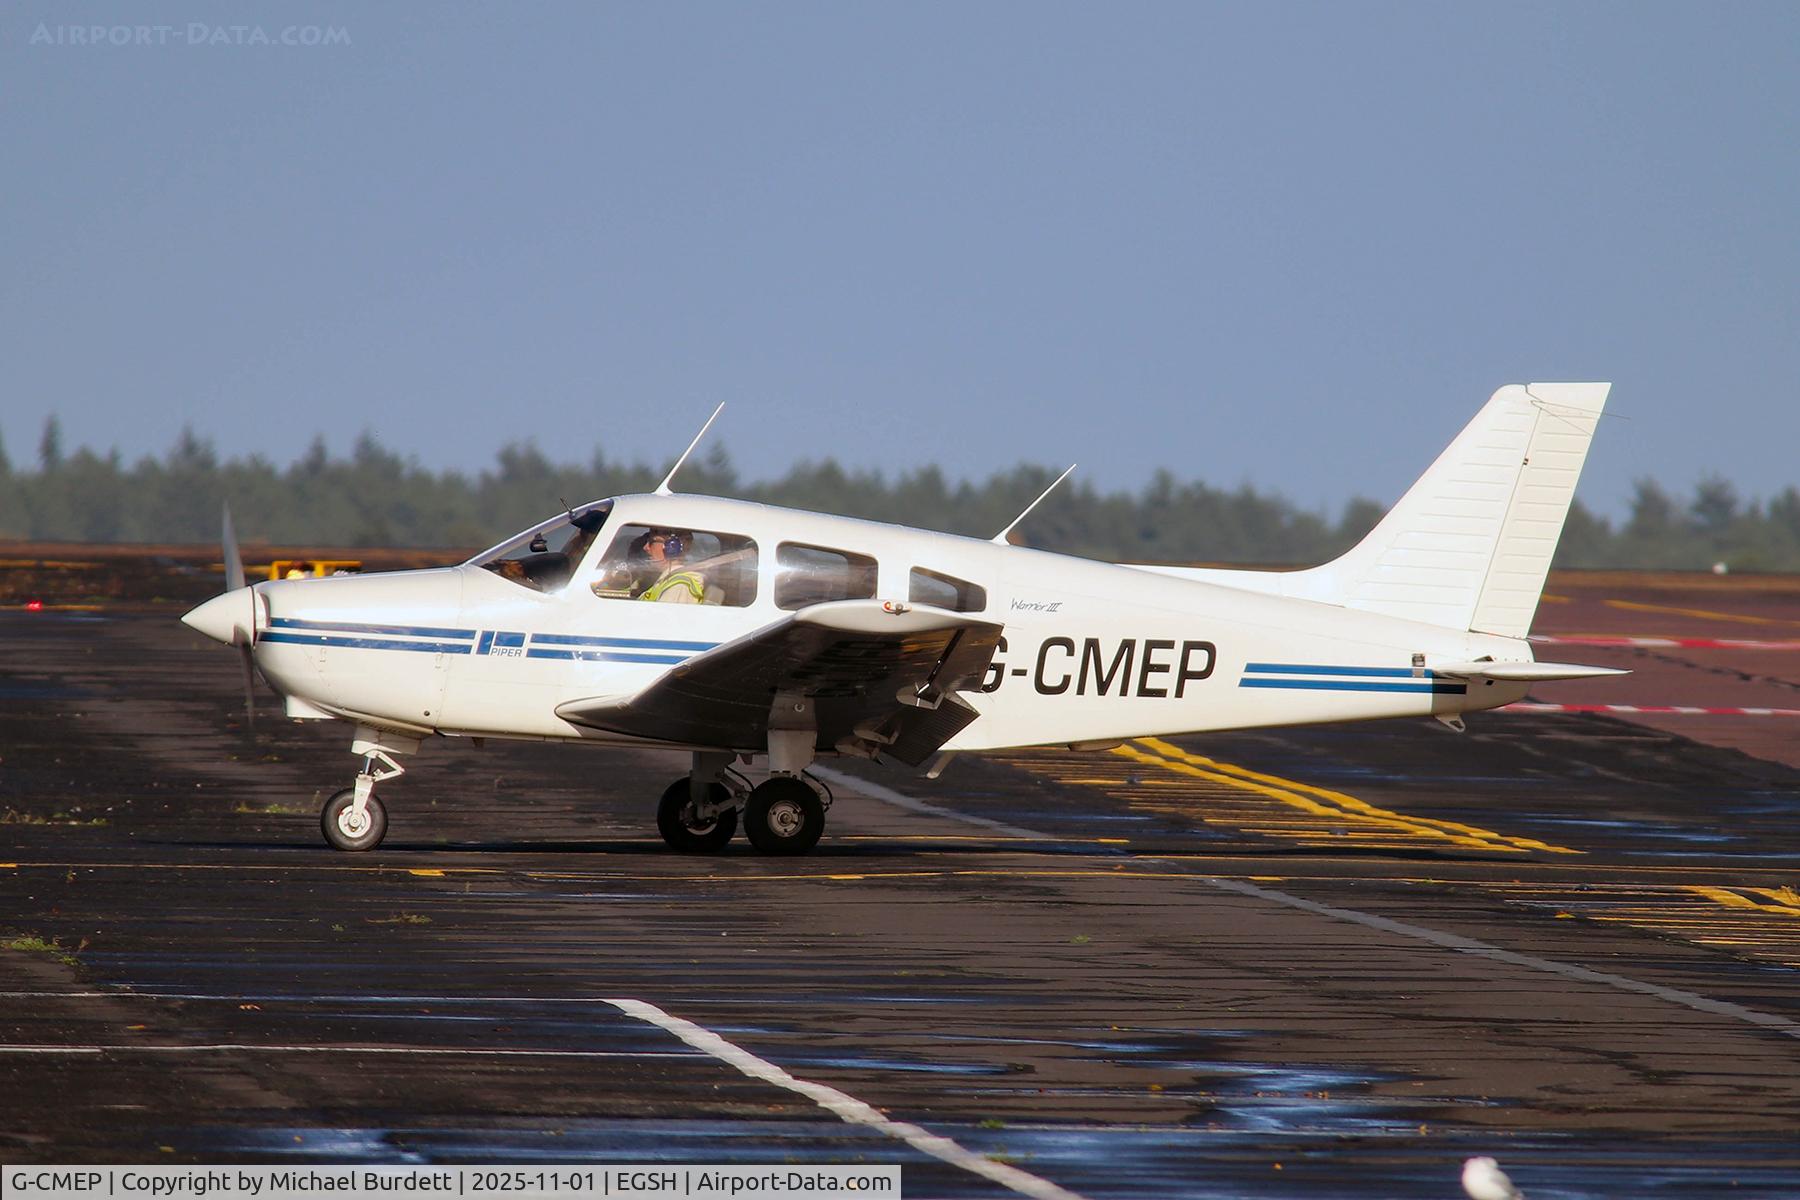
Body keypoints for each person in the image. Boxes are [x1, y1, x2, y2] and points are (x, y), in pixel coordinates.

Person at [636, 530, 707, 603]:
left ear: (672, 546)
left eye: (652, 542)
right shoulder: (664, 580)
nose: (645, 547)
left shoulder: (678, 587)